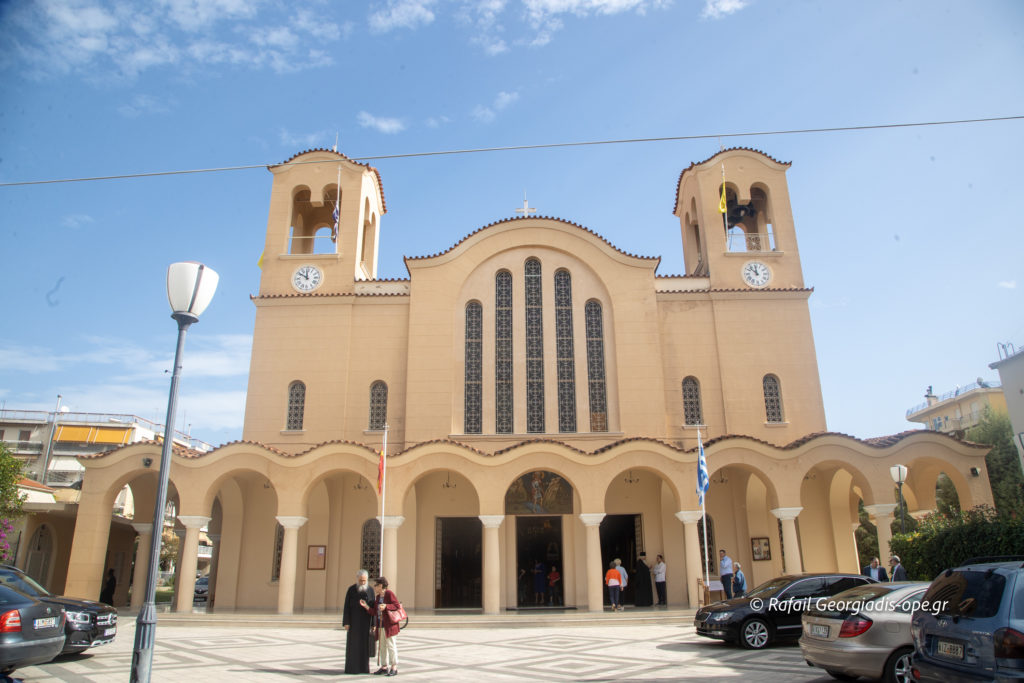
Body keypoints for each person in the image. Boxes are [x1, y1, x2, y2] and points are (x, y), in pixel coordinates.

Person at [342, 569, 376, 674]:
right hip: (354, 623)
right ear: (357, 579)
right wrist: (346, 622)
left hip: (366, 623)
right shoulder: (351, 590)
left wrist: (373, 624)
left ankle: (363, 668)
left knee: (364, 646)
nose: (362, 582)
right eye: (361, 580)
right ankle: (352, 669)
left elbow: (373, 608)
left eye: (364, 581)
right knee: (353, 646)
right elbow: (346, 607)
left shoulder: (370, 590)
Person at [372, 576, 401, 676]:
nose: (375, 587)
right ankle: (384, 666)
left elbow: (396, 606)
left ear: (380, 586)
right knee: (382, 646)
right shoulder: (377, 597)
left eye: (376, 585)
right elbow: (374, 611)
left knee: (391, 645)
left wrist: (386, 606)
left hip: (389, 626)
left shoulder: (389, 593)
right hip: (380, 625)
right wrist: (366, 606)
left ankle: (394, 667)